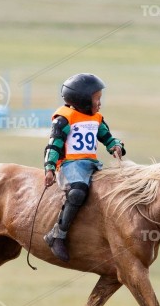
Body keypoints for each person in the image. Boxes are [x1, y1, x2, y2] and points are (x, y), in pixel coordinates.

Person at [42, 73, 125, 262]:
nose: (100, 103)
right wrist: (50, 168)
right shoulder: (64, 118)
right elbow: (54, 145)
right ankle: (57, 235)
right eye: (97, 99)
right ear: (83, 101)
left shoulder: (96, 118)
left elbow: (107, 137)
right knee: (78, 192)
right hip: (71, 165)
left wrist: (115, 146)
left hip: (91, 164)